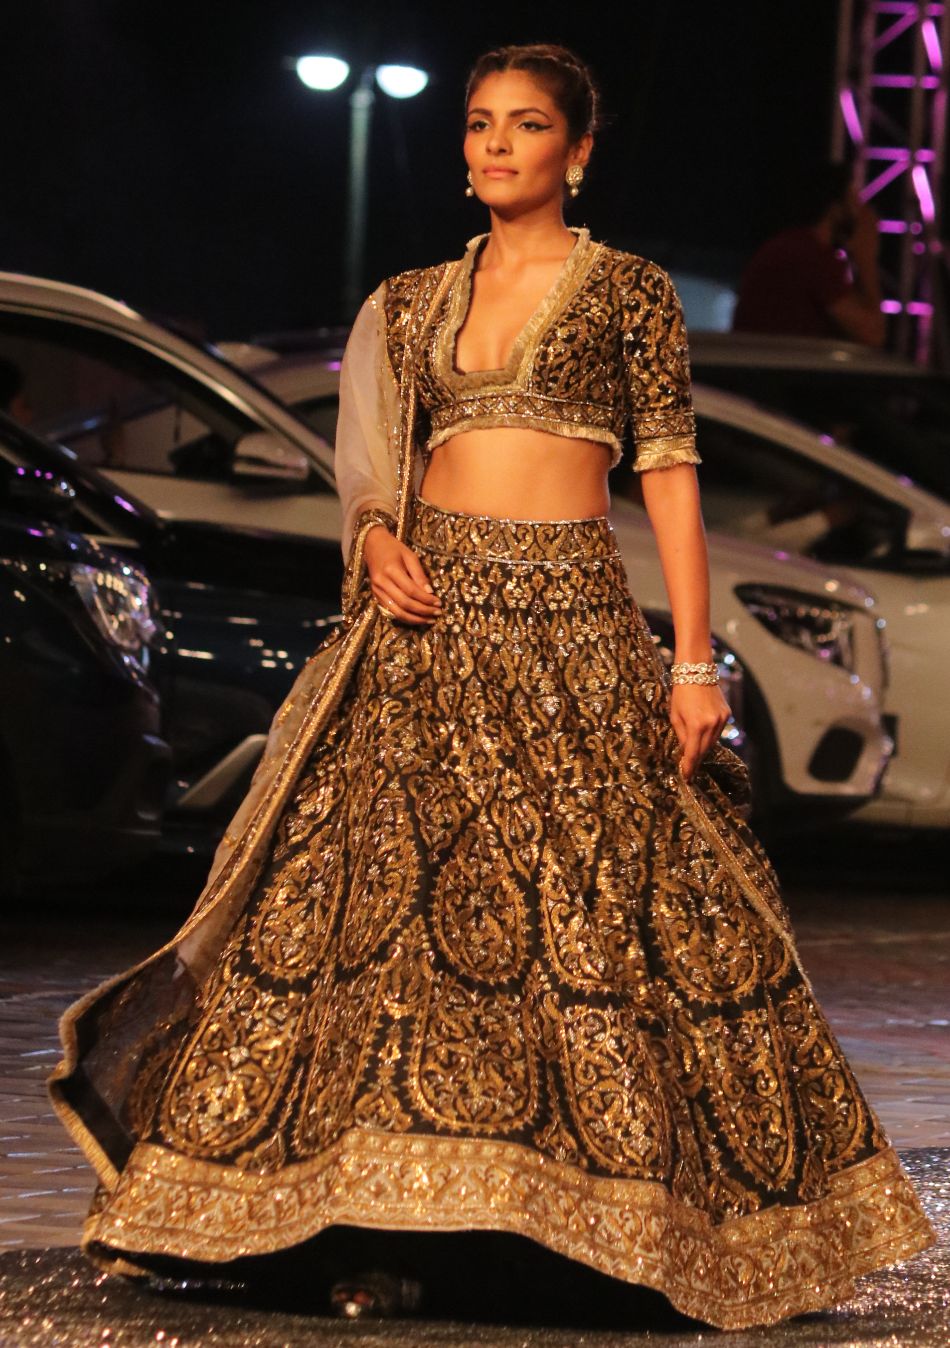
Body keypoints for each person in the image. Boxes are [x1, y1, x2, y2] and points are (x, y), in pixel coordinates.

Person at [49, 43, 934, 1332]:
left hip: (572, 630)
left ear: (578, 151)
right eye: (477, 124)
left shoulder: (625, 292)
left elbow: (668, 475)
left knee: (581, 927)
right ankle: (366, 1227)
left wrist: (692, 661)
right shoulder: (411, 302)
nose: (495, 145)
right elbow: (373, 470)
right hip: (428, 631)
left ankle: (578, 1234)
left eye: (525, 125)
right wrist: (373, 539)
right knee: (387, 933)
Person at [731, 160, 886, 347]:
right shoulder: (811, 258)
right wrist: (866, 258)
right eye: (853, 200)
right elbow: (873, 334)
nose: (862, 211)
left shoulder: (792, 248)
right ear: (835, 209)